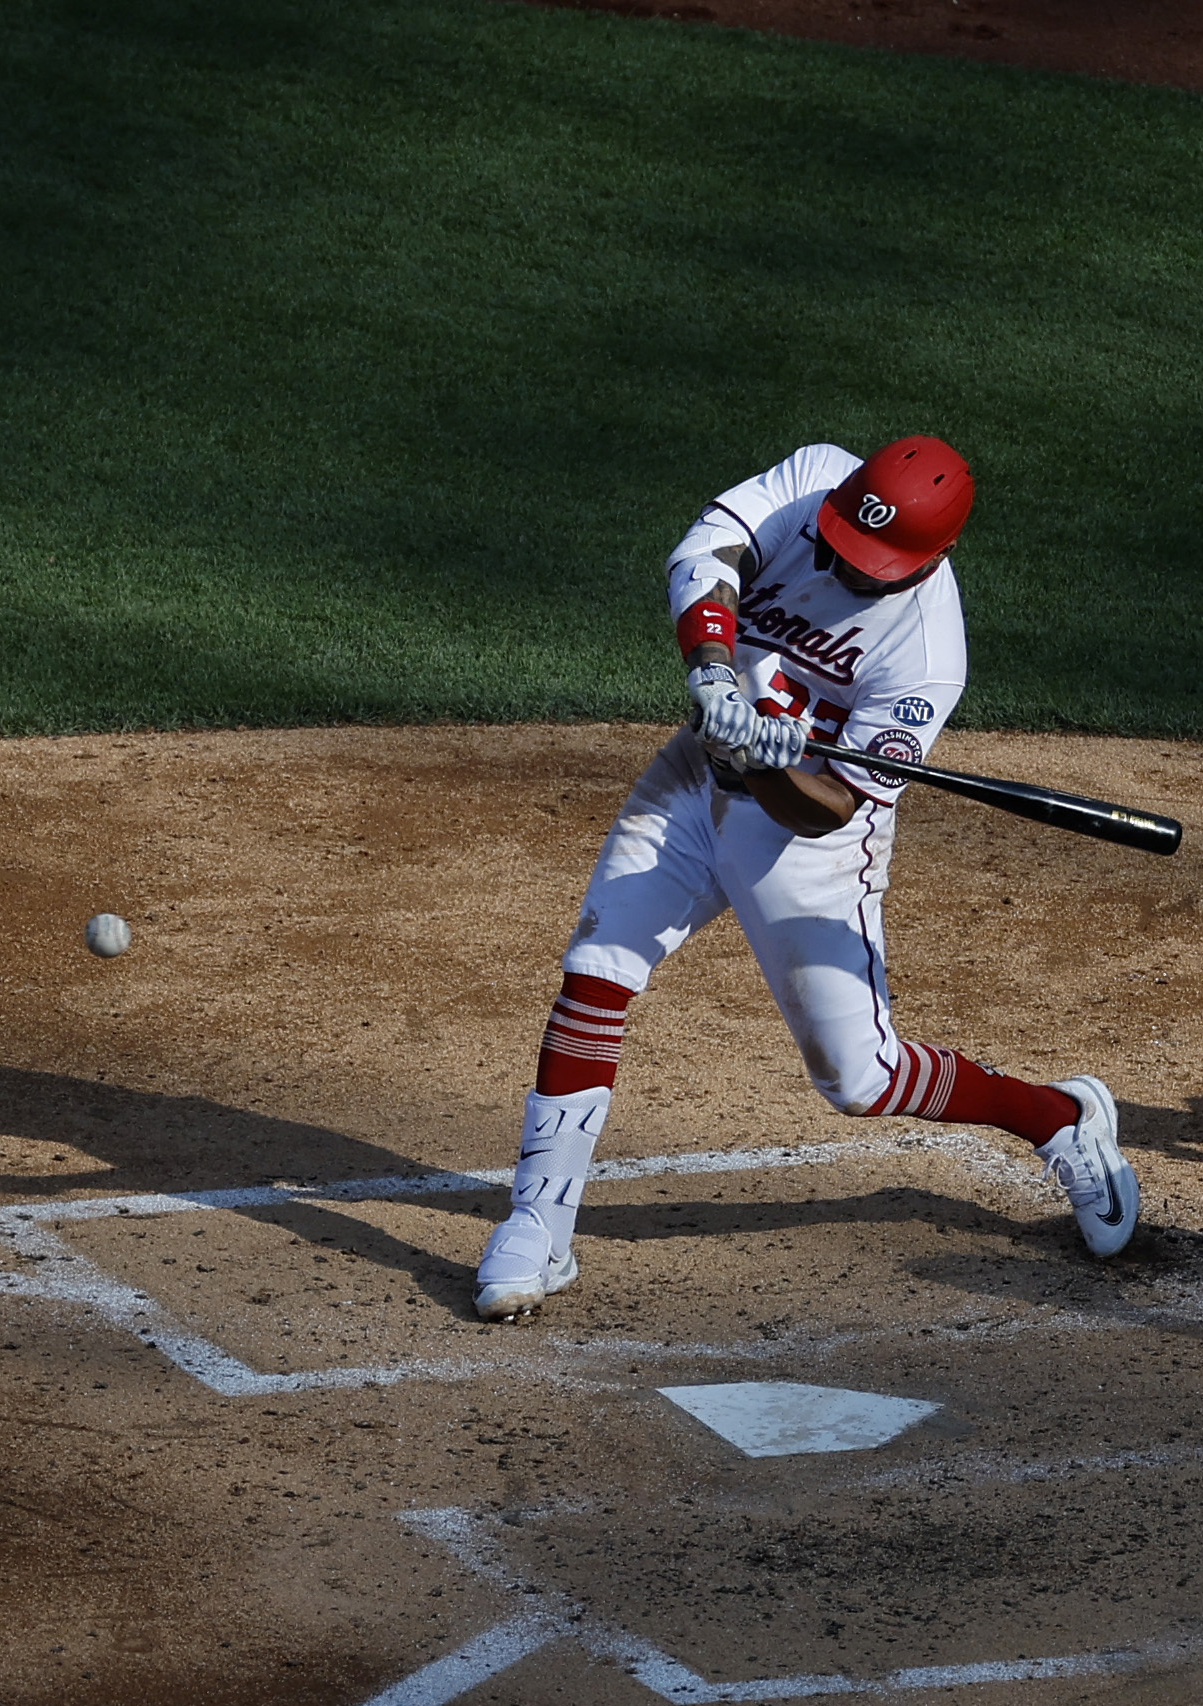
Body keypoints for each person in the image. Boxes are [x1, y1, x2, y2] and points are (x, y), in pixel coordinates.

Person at [471, 437, 1141, 1320]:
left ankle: (1055, 1117)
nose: (846, 570)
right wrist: (714, 672)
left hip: (806, 842)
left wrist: (765, 766)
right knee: (600, 967)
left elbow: (829, 809)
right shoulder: (814, 479)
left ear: (933, 559)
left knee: (859, 1078)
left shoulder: (929, 655)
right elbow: (705, 554)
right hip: (688, 782)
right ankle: (538, 1225)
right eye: (841, 546)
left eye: (873, 570)